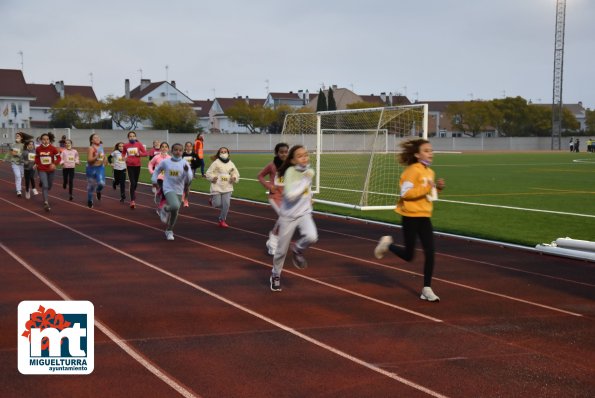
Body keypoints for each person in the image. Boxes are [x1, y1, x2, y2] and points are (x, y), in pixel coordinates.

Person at [374, 138, 445, 302]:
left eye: (431, 150)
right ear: (417, 154)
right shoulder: (412, 171)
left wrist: (437, 189)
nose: (430, 153)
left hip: (425, 216)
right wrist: (427, 187)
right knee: (409, 255)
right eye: (426, 150)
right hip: (410, 216)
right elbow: (406, 194)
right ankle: (388, 244)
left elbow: (428, 195)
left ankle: (427, 288)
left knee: (431, 251)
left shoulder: (430, 172)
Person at [269, 145, 318, 292]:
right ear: (293, 160)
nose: (304, 157)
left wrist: (309, 197)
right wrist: (305, 182)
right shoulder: (290, 172)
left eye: (306, 154)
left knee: (312, 237)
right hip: (288, 215)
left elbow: (305, 191)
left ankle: (297, 249)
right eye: (300, 156)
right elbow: (290, 195)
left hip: (304, 213)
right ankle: (275, 274)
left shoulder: (309, 171)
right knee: (281, 251)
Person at [151, 143, 193, 241]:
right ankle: (165, 209)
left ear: (182, 152)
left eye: (180, 150)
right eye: (176, 150)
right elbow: (156, 170)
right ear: (172, 151)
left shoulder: (185, 163)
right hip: (168, 188)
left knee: (175, 212)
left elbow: (189, 179)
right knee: (175, 205)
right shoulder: (166, 162)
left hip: (179, 189)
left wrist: (187, 172)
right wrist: (154, 181)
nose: (178, 152)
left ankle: (169, 230)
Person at [257, 142, 289, 255]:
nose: (284, 154)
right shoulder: (272, 165)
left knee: (286, 219)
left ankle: (273, 238)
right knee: (284, 216)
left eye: (286, 152)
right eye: (281, 152)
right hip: (275, 197)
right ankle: (273, 243)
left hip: (288, 198)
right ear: (276, 153)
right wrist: (269, 186)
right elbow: (260, 175)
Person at [205, 147, 239, 228]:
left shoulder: (231, 163)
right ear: (219, 153)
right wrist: (213, 177)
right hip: (217, 186)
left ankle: (222, 220)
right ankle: (212, 200)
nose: (223, 153)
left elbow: (235, 173)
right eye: (222, 152)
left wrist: (234, 177)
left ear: (228, 153)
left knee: (226, 204)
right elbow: (208, 173)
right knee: (217, 204)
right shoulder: (216, 163)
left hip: (227, 186)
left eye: (225, 151)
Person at [35, 132, 61, 211]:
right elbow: (36, 158)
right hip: (42, 169)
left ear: (49, 140)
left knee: (49, 186)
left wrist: (54, 164)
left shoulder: (53, 148)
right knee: (45, 186)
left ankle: (42, 182)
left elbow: (59, 158)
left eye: (47, 139)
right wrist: (36, 164)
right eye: (44, 139)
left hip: (51, 169)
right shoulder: (38, 149)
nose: (45, 141)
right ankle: (46, 202)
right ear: (41, 140)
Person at [123, 131, 147, 209]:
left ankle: (133, 192)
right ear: (128, 137)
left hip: (137, 165)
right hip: (129, 166)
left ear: (135, 137)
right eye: (130, 136)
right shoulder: (126, 145)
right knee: (132, 182)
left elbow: (145, 153)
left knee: (135, 183)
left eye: (133, 136)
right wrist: (124, 158)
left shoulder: (139, 144)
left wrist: (139, 154)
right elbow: (123, 153)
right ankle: (132, 201)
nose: (132, 137)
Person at [4, 131, 30, 197]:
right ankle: (19, 190)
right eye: (16, 136)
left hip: (21, 163)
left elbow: (25, 155)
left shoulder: (24, 145)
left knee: (20, 176)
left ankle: (19, 187)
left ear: (21, 138)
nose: (16, 137)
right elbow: (9, 153)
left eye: (18, 136)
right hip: (14, 162)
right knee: (18, 176)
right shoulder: (13, 145)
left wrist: (18, 154)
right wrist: (4, 159)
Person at [148, 142, 171, 212]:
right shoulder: (156, 157)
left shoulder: (170, 158)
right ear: (160, 148)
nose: (164, 148)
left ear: (168, 149)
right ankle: (159, 192)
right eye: (162, 147)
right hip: (158, 177)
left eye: (166, 147)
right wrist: (152, 171)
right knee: (163, 189)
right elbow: (150, 164)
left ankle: (160, 206)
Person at [86, 133, 107, 208]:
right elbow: (89, 160)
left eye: (98, 137)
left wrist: (105, 159)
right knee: (91, 186)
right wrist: (96, 156)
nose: (97, 138)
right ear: (92, 140)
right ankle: (90, 200)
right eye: (95, 138)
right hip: (91, 168)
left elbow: (103, 156)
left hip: (100, 168)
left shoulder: (101, 147)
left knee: (101, 183)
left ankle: (98, 190)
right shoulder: (91, 148)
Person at [181, 141, 198, 207]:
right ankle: (182, 195)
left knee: (188, 186)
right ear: (185, 147)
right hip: (183, 171)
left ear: (191, 147)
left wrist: (193, 172)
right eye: (187, 146)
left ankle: (186, 200)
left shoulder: (194, 154)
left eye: (190, 146)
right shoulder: (183, 154)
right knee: (183, 184)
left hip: (191, 171)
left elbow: (196, 164)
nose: (188, 147)